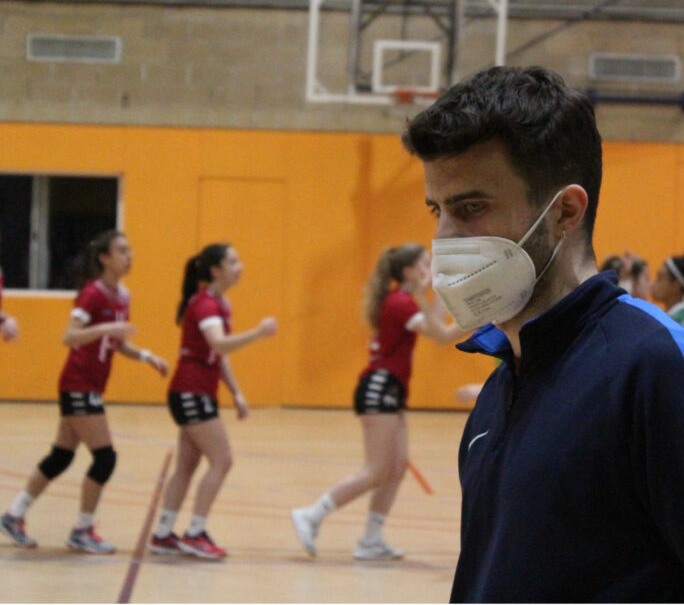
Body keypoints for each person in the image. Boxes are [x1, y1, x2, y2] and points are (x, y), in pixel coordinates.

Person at [405, 65, 684, 601]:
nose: (444, 238)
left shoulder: (659, 369)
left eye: (471, 208)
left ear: (565, 211)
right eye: (436, 210)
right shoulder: (498, 392)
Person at [290, 244, 470, 561]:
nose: (429, 270)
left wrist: (438, 291)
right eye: (424, 265)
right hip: (378, 387)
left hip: (392, 389)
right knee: (376, 470)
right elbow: (441, 335)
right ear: (407, 271)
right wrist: (481, 317)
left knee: (397, 467)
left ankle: (371, 540)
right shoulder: (400, 302)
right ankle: (311, 514)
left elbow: (437, 324)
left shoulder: (406, 301)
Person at [1, 230, 167, 554]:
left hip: (91, 384)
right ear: (105, 258)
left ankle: (13, 514)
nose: (129, 256)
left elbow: (117, 343)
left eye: (130, 250)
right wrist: (106, 328)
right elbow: (70, 337)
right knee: (105, 458)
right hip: (78, 382)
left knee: (61, 457)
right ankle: (82, 529)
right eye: (122, 251)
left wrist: (147, 356)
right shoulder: (93, 294)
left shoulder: (123, 295)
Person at [154, 243, 280, 561]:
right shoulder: (206, 305)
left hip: (196, 392)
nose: (241, 266)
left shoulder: (220, 304)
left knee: (186, 465)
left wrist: (236, 392)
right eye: (234, 261)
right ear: (216, 270)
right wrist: (259, 333)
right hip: (190, 391)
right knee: (222, 460)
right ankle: (195, 533)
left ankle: (162, 534)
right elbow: (219, 343)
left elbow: (217, 354)